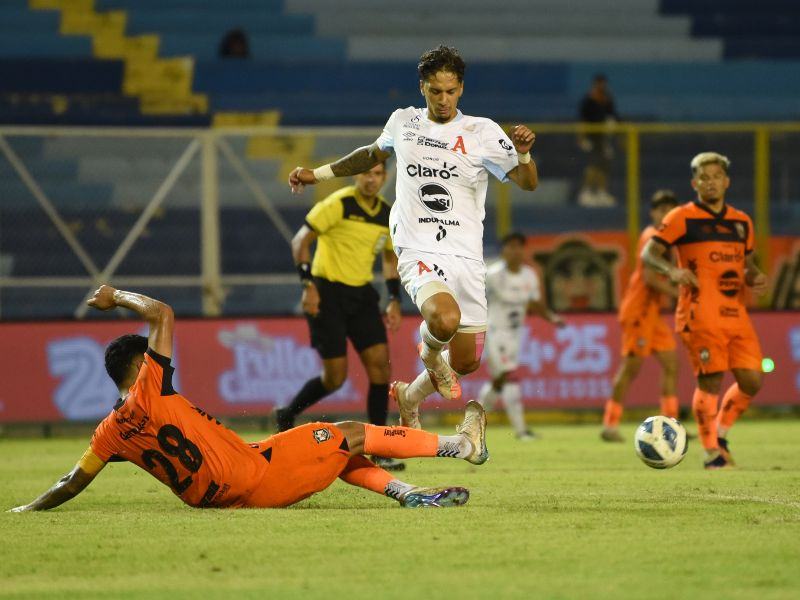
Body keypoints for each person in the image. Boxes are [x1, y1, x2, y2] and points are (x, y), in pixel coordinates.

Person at [9, 286, 488, 513]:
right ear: (138, 366)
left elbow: (71, 483)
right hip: (254, 476)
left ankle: (405, 493)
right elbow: (162, 312)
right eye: (148, 356)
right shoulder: (150, 385)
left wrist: (26, 510)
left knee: (334, 452)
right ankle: (461, 446)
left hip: (223, 495)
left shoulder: (109, 434)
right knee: (349, 433)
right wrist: (115, 296)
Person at [288, 45, 538, 430]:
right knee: (444, 319)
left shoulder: (482, 132)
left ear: (461, 89)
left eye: (450, 91)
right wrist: (317, 174)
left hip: (466, 256)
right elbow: (370, 154)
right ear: (422, 87)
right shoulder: (404, 122)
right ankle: (431, 353)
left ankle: (410, 396)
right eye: (435, 91)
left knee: (468, 361)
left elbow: (528, 183)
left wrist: (522, 155)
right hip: (417, 246)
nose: (443, 99)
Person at [643, 152, 768, 469]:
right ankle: (712, 452)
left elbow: (747, 264)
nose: (710, 182)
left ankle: (720, 436)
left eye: (716, 177)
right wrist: (672, 271)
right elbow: (649, 254)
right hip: (699, 313)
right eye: (704, 177)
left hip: (735, 313)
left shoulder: (742, 222)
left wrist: (754, 276)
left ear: (726, 182)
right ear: (694, 183)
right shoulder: (681, 217)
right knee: (710, 381)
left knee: (753, 381)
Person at [278, 162, 404, 471]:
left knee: (380, 368)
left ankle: (379, 448)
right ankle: (287, 414)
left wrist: (394, 299)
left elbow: (390, 258)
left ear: (384, 177)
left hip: (361, 296)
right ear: (357, 175)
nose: (371, 179)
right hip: (327, 294)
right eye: (366, 173)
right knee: (335, 378)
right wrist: (308, 286)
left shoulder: (387, 213)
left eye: (377, 174)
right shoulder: (339, 203)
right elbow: (300, 241)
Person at [601, 190, 680, 442]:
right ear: (653, 213)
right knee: (630, 369)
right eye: (661, 209)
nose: (666, 214)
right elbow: (649, 279)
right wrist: (679, 293)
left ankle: (670, 425)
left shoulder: (666, 240)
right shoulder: (651, 237)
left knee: (671, 364)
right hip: (638, 311)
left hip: (652, 313)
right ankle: (610, 425)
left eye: (670, 209)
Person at [477, 232, 564, 440]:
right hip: (495, 332)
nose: (515, 251)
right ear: (503, 251)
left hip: (515, 335)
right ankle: (521, 431)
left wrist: (552, 318)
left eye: (518, 247)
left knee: (499, 381)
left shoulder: (529, 275)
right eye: (510, 247)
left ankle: (473, 423)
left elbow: (534, 302)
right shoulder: (493, 275)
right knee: (509, 376)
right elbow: (478, 297)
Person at [577, 74, 619, 208]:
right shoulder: (588, 100)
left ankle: (601, 192)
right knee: (592, 165)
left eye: (603, 84)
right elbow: (582, 121)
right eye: (599, 83)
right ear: (595, 84)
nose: (601, 86)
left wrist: (612, 127)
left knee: (604, 166)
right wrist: (582, 138)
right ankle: (586, 192)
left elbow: (612, 117)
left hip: (604, 139)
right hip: (592, 138)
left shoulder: (607, 99)